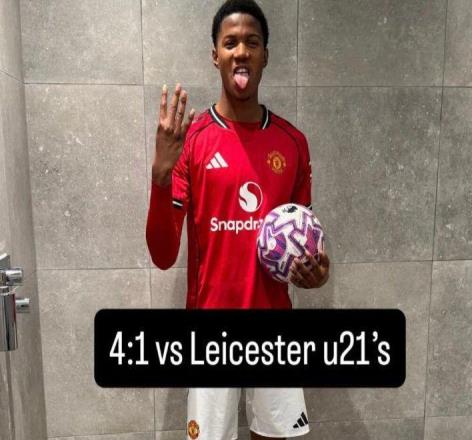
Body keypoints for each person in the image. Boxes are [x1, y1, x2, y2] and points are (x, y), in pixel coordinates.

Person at [146, 0, 330, 438]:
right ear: (216, 55)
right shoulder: (193, 142)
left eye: (252, 42)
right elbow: (163, 255)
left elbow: (307, 245)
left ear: (266, 54)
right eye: (230, 43)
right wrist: (160, 178)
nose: (241, 52)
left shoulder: (292, 143)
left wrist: (318, 274)